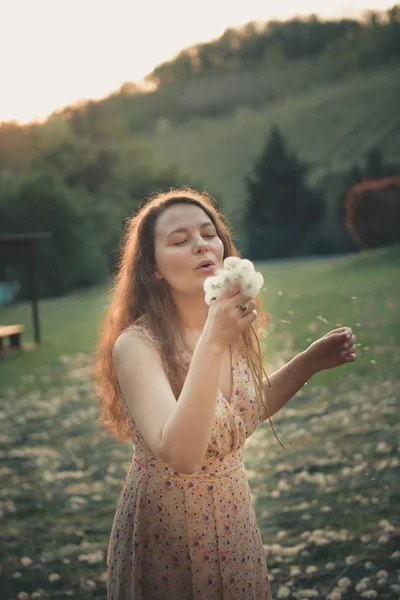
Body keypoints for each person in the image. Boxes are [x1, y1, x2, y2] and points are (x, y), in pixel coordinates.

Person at [92, 187, 357, 600]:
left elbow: (237, 415)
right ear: (154, 268)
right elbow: (182, 454)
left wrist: (307, 363)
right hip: (168, 532)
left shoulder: (225, 327)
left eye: (208, 233)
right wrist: (213, 342)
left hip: (234, 520)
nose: (201, 245)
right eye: (180, 241)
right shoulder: (137, 346)